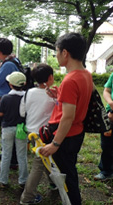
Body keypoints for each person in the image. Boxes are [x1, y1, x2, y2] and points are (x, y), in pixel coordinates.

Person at [40, 33, 93, 205]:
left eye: (56, 52)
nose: (56, 56)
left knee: (67, 180)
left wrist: (55, 144)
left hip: (65, 136)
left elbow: (68, 117)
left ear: (65, 53)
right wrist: (60, 97)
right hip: (77, 133)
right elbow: (77, 103)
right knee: (70, 173)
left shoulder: (70, 80)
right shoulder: (85, 74)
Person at [19, 64, 56, 204]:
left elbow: (22, 113)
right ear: (50, 78)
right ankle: (27, 198)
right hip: (45, 134)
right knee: (39, 164)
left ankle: (53, 183)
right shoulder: (52, 95)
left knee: (46, 157)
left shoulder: (28, 92)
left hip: (30, 132)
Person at [0, 38, 20, 167]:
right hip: (12, 100)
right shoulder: (14, 60)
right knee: (8, 128)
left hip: (6, 101)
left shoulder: (7, 65)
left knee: (6, 128)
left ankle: (11, 159)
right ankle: (7, 154)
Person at [0, 72, 28, 188]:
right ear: (24, 84)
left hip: (7, 128)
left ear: (10, 85)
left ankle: (3, 180)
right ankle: (23, 181)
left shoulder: (5, 98)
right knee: (22, 155)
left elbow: (0, 113)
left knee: (6, 155)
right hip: (22, 129)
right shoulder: (27, 97)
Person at [93, 73, 113, 181]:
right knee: (106, 144)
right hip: (109, 114)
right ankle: (106, 171)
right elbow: (106, 90)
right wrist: (110, 103)